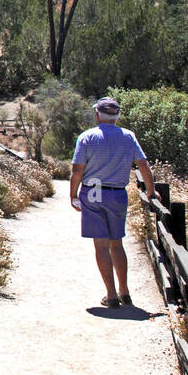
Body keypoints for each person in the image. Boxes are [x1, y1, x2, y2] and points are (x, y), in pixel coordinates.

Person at [69, 97, 157, 309]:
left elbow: (77, 170)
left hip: (94, 192)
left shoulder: (87, 137)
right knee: (116, 243)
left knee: (101, 244)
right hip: (117, 193)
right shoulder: (128, 136)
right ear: (116, 116)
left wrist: (73, 194)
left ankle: (111, 295)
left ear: (97, 115)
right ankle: (124, 291)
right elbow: (143, 164)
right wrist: (152, 191)